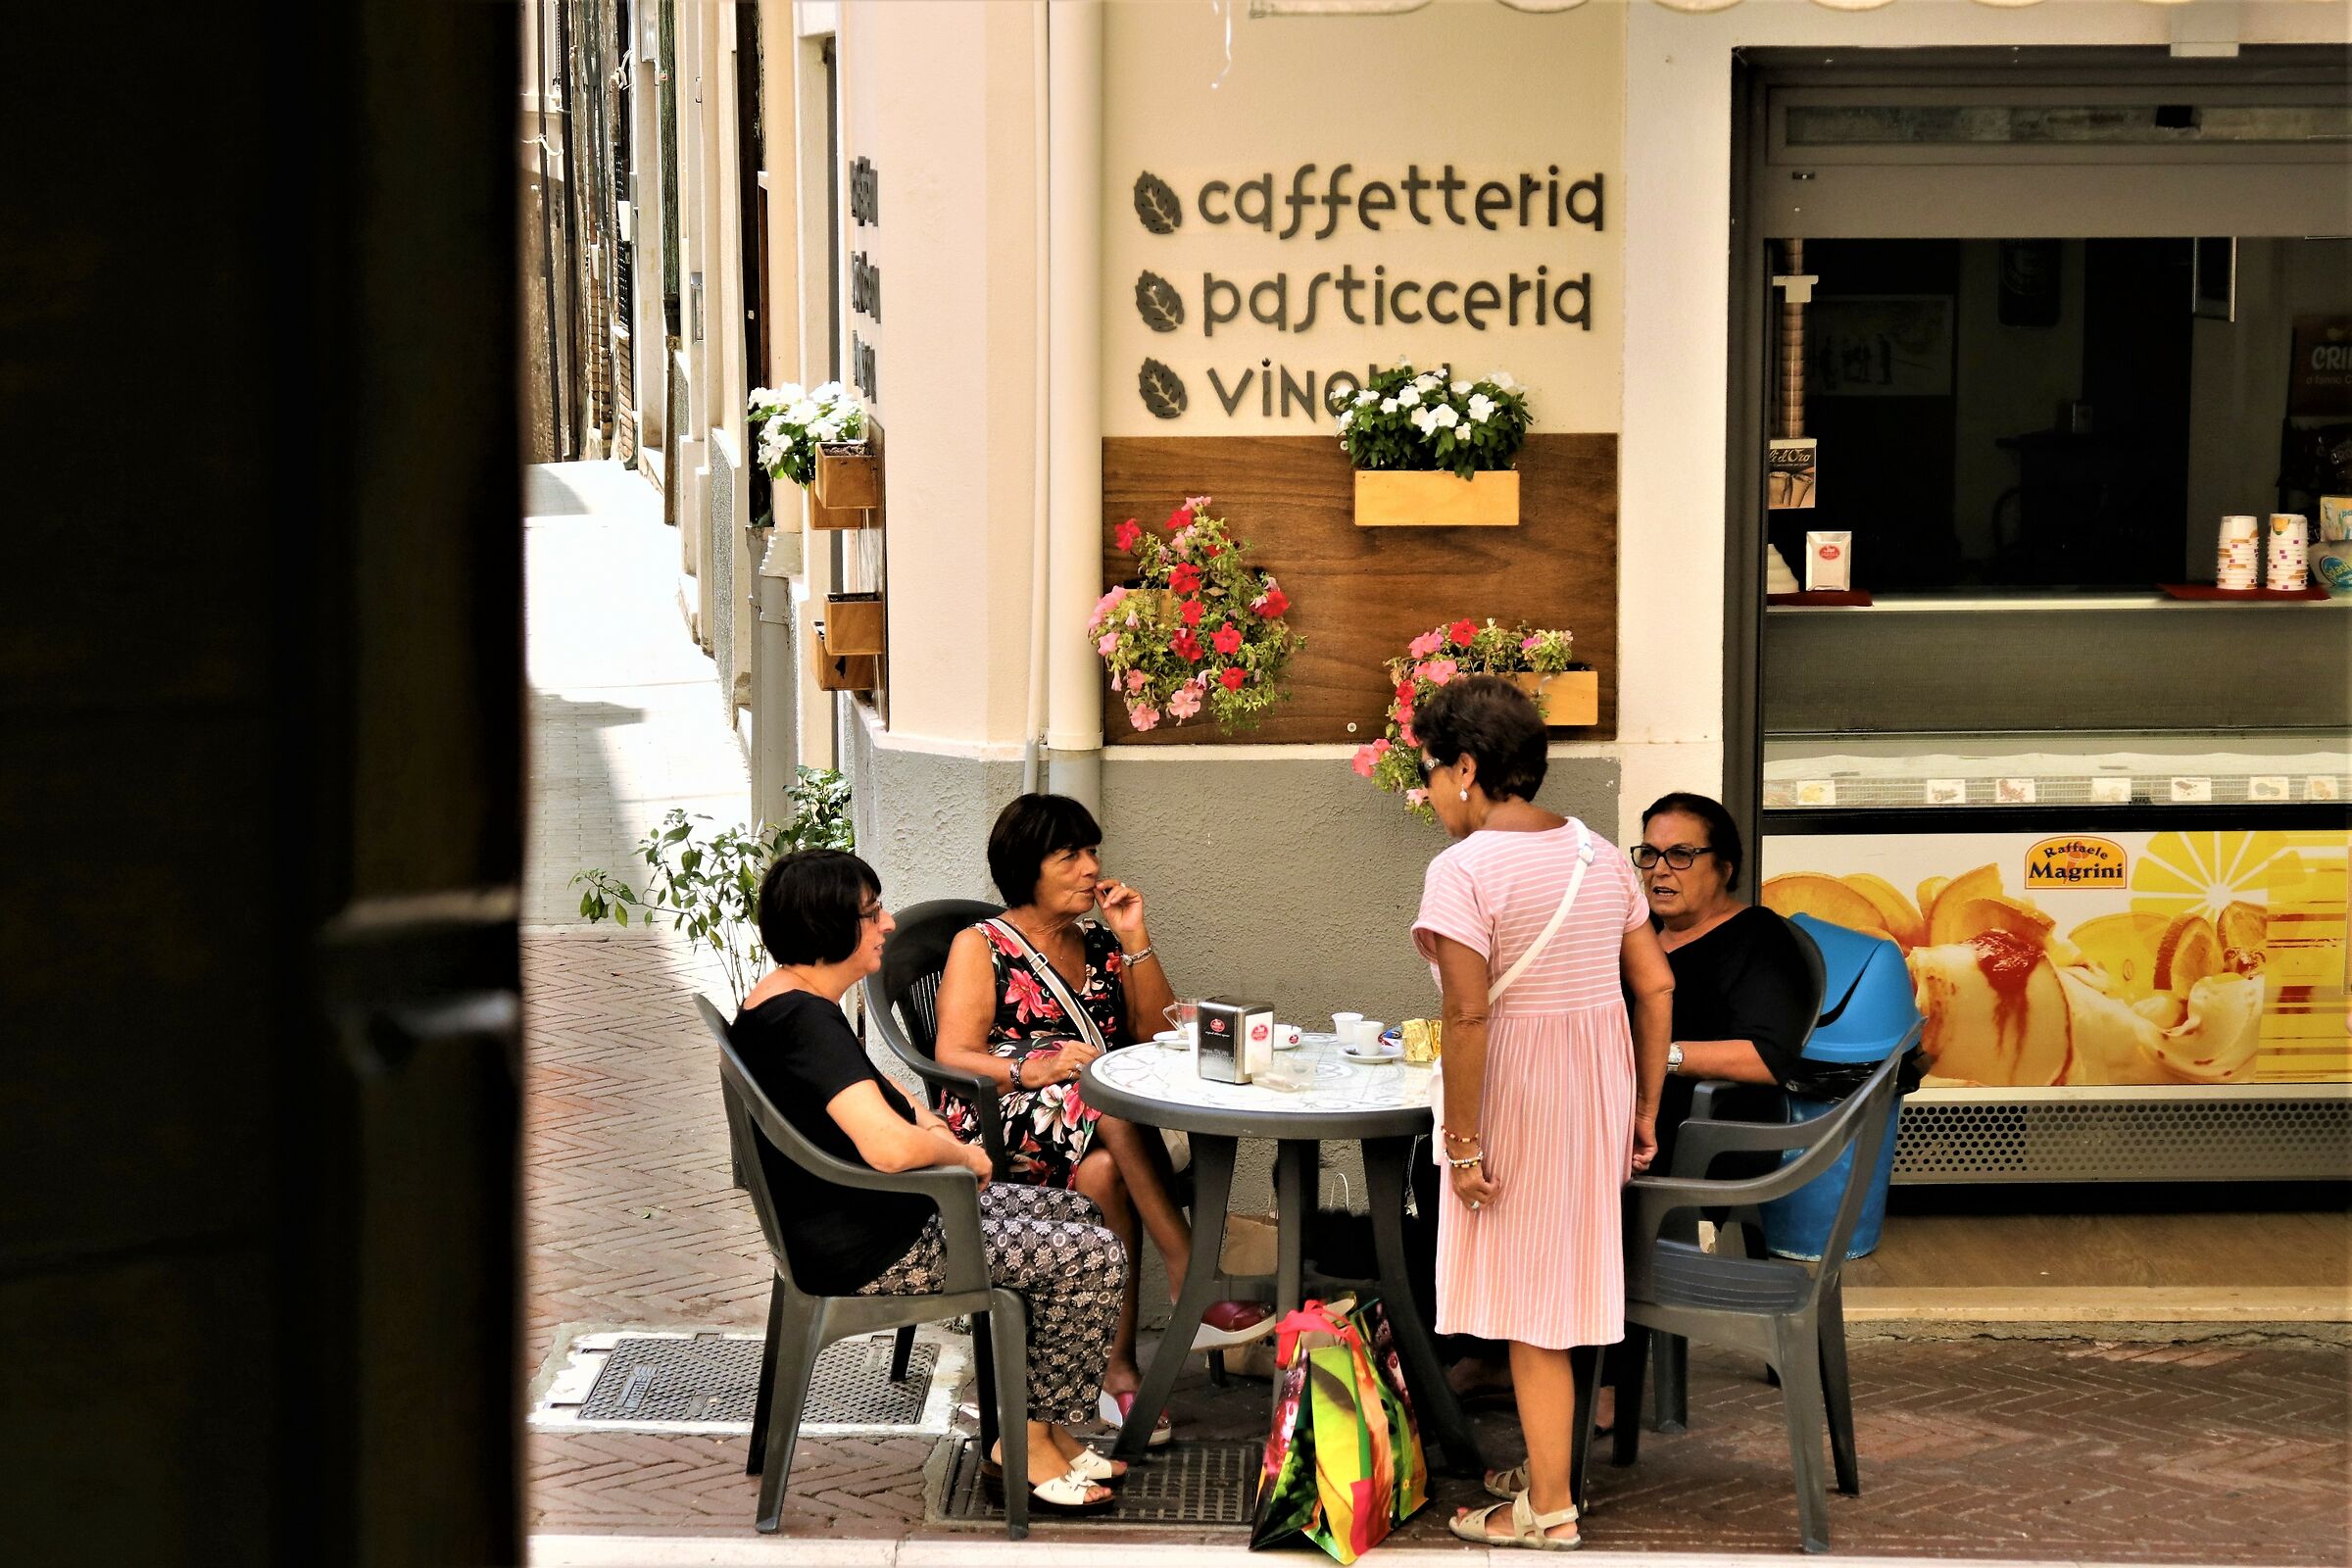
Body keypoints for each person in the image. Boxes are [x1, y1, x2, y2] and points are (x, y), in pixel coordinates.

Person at [731, 848, 1127, 1516]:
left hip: (869, 1218)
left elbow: (883, 1098)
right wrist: (964, 1160)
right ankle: (1022, 1443)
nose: (887, 924)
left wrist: (930, 1123)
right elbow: (886, 1149)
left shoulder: (784, 1000)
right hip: (874, 1244)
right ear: (830, 929)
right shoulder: (808, 1022)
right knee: (1095, 1257)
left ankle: (1049, 1429)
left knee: (1078, 1214)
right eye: (870, 913)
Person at [1409, 676, 1675, 1551]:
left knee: (1531, 1307)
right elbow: (1657, 984)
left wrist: (1462, 1137)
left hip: (1517, 1092)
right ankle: (1549, 1467)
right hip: (1594, 1090)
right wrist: (1644, 1106)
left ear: (1470, 767)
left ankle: (1548, 1510)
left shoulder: (1461, 870)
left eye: (1433, 772)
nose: (1430, 792)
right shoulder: (1601, 855)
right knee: (1560, 1288)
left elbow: (1468, 1015)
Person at [933, 793, 1272, 1446]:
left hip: (1095, 1126)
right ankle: (1189, 1271)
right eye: (1071, 856)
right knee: (1102, 1093)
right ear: (1026, 867)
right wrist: (1028, 1069)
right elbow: (953, 1053)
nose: (1091, 868)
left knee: (1107, 1170)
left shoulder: (1096, 941)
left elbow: (1155, 1032)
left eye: (1092, 853)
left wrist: (1136, 939)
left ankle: (1116, 1368)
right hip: (1000, 1121)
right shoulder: (980, 946)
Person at [1635, 791, 1818, 1175]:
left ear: (1725, 868)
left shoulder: (1760, 938)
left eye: (1681, 855)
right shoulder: (1640, 931)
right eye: (1650, 854)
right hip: (1626, 1117)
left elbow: (1769, 1058)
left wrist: (1657, 1056)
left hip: (1709, 1129)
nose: (1659, 870)